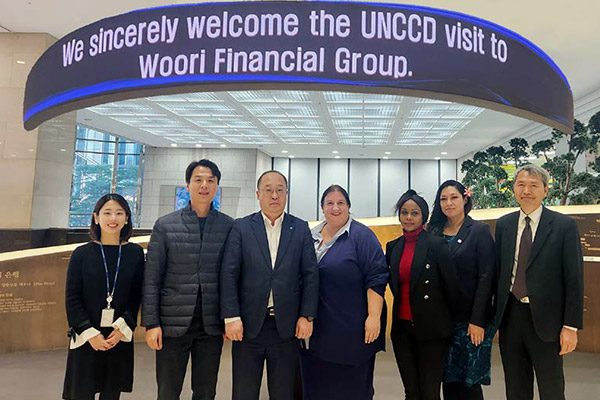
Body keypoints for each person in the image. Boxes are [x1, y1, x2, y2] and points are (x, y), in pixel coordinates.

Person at [220, 170, 319, 400]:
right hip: (247, 327)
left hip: (286, 327)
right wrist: (231, 316)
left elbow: (310, 275)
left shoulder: (300, 228)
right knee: (244, 392)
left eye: (279, 190)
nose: (274, 195)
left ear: (286, 194)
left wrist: (307, 315)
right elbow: (229, 274)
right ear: (258, 194)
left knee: (284, 392)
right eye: (268, 190)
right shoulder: (242, 227)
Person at [142, 159, 234, 400]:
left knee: (206, 392)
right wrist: (151, 324)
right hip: (172, 323)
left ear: (216, 186)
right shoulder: (165, 225)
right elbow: (152, 278)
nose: (204, 185)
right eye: (198, 180)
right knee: (168, 391)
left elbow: (231, 277)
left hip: (210, 324)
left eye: (210, 181)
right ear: (188, 185)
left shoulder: (228, 226)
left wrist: (229, 317)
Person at [494, 164, 584, 400]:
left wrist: (570, 326)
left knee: (551, 389)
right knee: (515, 388)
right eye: (521, 185)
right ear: (514, 188)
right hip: (510, 317)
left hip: (548, 321)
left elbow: (574, 278)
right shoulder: (504, 225)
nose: (527, 191)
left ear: (545, 190)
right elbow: (499, 272)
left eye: (534, 185)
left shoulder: (564, 226)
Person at [301, 185, 389, 400]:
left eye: (340, 203)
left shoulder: (361, 236)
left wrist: (374, 317)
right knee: (318, 388)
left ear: (349, 206)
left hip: (352, 331)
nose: (335, 208)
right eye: (330, 203)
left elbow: (376, 278)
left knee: (351, 389)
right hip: (318, 331)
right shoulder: (310, 236)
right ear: (322, 207)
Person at [62, 193, 145, 400]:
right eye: (107, 213)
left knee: (112, 392)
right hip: (86, 337)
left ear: (127, 218)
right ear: (96, 218)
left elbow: (136, 295)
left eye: (119, 213)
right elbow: (72, 298)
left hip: (117, 336)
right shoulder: (82, 254)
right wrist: (90, 333)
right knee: (81, 392)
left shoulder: (135, 253)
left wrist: (122, 328)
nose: (113, 218)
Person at [386, 189, 458, 400]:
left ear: (423, 217)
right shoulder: (393, 247)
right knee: (411, 391)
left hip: (432, 330)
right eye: (404, 212)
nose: (408, 217)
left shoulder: (436, 244)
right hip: (402, 330)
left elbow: (451, 286)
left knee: (429, 392)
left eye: (414, 213)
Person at [428, 180, 495, 400]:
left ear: (465, 199)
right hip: (441, 320)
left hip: (470, 321)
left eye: (454, 197)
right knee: (447, 380)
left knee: (469, 382)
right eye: (443, 199)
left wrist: (477, 321)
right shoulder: (433, 231)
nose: (448, 203)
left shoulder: (479, 231)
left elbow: (486, 277)